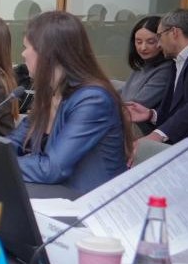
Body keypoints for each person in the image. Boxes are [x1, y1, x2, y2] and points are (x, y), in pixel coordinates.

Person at [8, 11, 130, 194]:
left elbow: (52, 168)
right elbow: (13, 143)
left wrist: (1, 163)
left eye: (26, 47)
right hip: (54, 194)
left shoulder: (93, 99)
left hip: (89, 202)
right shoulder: (50, 93)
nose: (23, 54)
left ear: (47, 53)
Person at [126, 8, 188, 145]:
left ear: (174, 32)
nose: (159, 44)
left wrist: (159, 134)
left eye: (159, 36)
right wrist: (151, 114)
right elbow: (175, 109)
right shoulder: (176, 61)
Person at [119, 15, 175, 134]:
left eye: (151, 42)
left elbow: (135, 106)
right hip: (124, 119)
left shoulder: (166, 69)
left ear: (162, 41)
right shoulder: (143, 64)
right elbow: (125, 92)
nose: (143, 47)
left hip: (141, 128)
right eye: (138, 42)